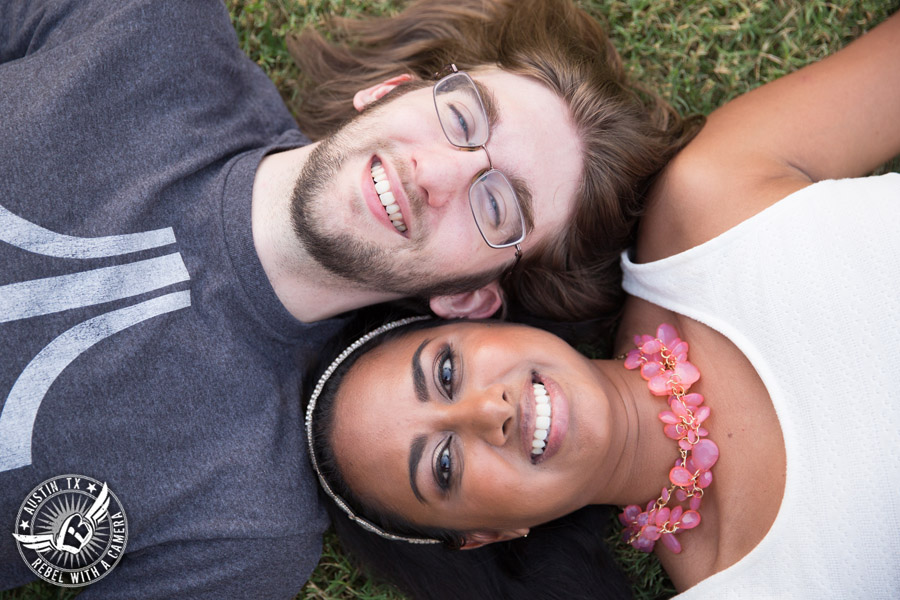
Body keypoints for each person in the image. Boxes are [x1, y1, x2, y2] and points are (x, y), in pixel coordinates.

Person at [0, 0, 695, 596]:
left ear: (469, 299)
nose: (438, 172)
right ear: (390, 90)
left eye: (498, 207)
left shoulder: (245, 525)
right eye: (462, 115)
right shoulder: (150, 27)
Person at [305, 8, 900, 600]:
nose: (491, 413)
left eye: (446, 372)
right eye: (442, 465)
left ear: (474, 317)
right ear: (487, 534)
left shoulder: (708, 202)